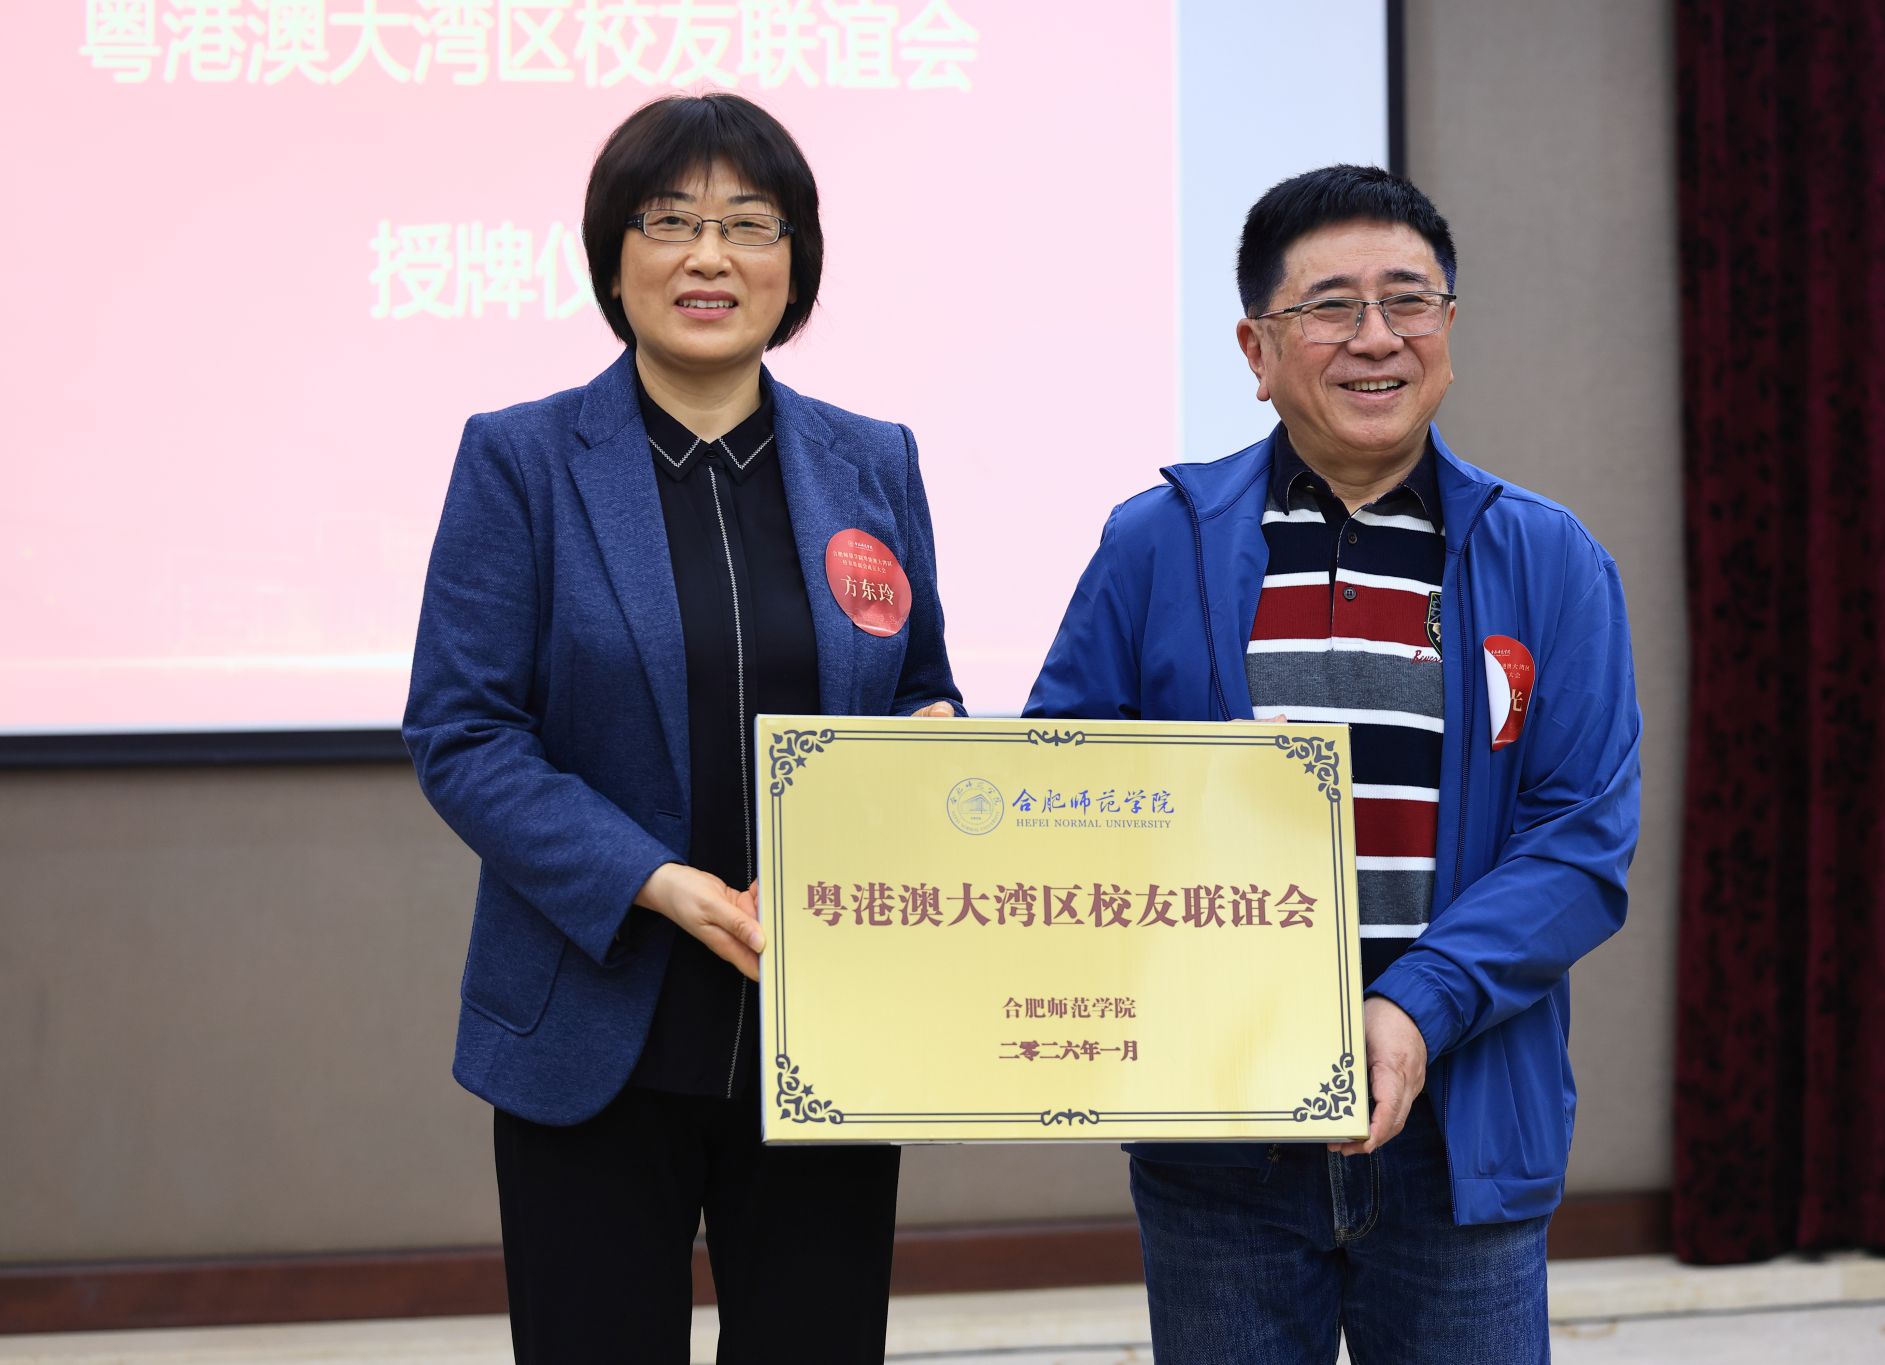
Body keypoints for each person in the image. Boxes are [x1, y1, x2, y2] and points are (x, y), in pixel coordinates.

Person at [1025, 165, 1640, 1363]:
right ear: (1254, 350)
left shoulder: (1547, 558)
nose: (1375, 336)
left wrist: (1412, 1008)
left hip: (1459, 1131)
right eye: (1329, 307)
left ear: (1447, 330)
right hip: (1219, 1137)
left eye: (1407, 301)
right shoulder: (1155, 545)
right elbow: (1065, 793)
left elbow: (1577, 844)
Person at [404, 93, 961, 1364]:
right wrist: (655, 882)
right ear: (613, 260)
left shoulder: (873, 462)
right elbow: (464, 731)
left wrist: (927, 748)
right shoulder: (522, 461)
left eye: (749, 225)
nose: (710, 256)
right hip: (594, 1024)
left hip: (824, 1028)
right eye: (670, 222)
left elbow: (918, 684)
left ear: (794, 266)